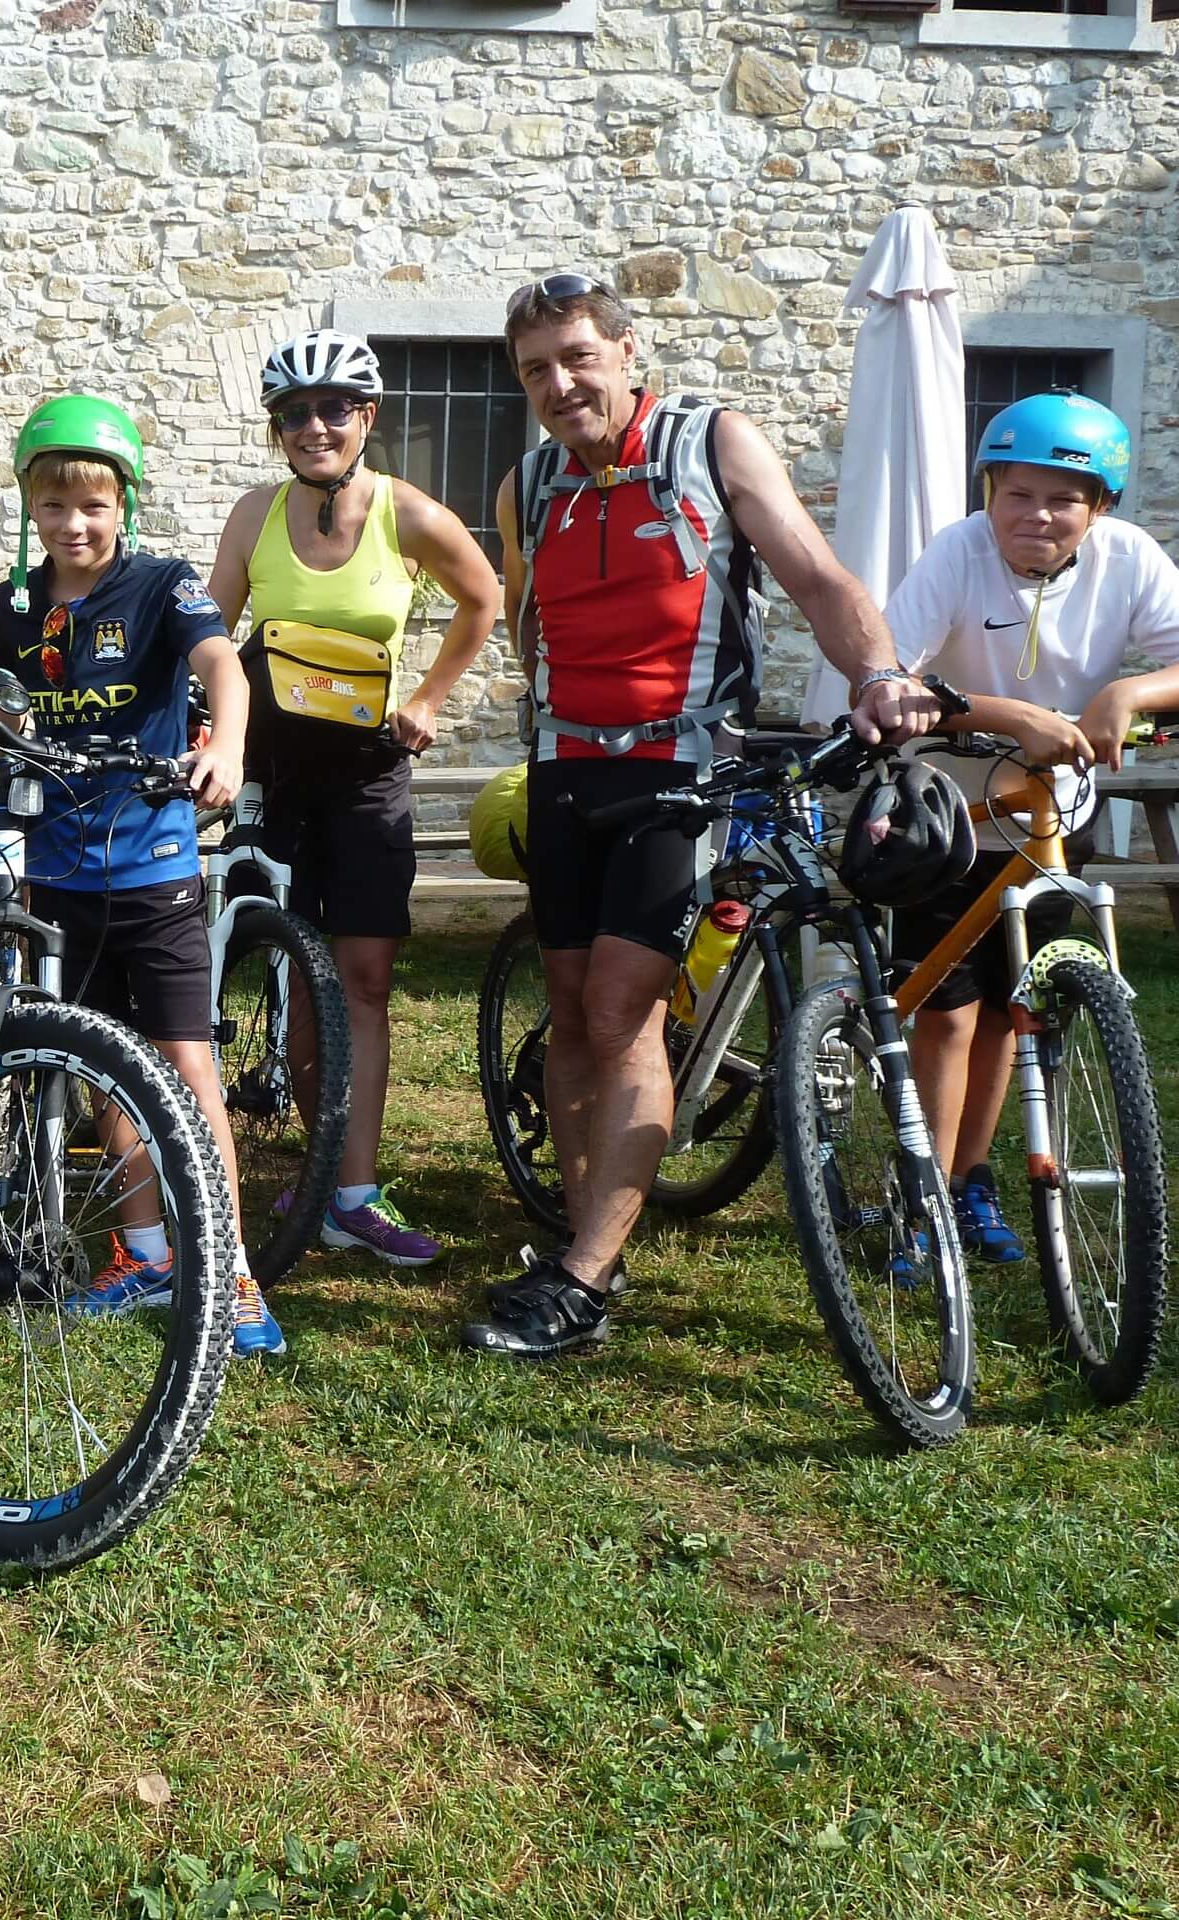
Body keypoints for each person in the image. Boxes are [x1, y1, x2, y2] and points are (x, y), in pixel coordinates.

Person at [464, 270, 947, 1360]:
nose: (559, 384)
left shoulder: (711, 442)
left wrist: (875, 672)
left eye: (577, 357)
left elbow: (817, 578)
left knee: (621, 1012)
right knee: (571, 1003)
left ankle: (582, 1276)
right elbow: (530, 623)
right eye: (535, 370)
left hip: (682, 767)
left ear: (627, 352)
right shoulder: (529, 481)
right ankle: (593, 1240)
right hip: (563, 769)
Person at [0, 394, 285, 1358]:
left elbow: (224, 667)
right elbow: (3, 714)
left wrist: (229, 750)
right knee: (99, 1069)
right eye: (55, 507)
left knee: (188, 1070)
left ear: (124, 502)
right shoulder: (15, 606)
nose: (74, 525)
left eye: (92, 505)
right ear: (29, 511)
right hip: (55, 874)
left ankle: (233, 1270)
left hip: (155, 868)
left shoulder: (165, 588)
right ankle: (140, 1255)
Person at [883, 392, 1179, 1262]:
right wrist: (1013, 717)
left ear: (1100, 509)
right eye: (1018, 493)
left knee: (1013, 1013)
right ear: (990, 491)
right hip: (950, 812)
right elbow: (889, 679)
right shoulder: (957, 554)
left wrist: (1127, 692)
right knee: (947, 1013)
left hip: (1053, 816)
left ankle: (970, 1180)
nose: (1036, 515)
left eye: (1063, 499)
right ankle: (919, 1195)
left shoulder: (1129, 559)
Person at [206, 328, 503, 1268]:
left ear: (366, 418)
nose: (315, 426)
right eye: (295, 412)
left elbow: (484, 598)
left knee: (364, 981)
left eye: (335, 408)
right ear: (277, 428)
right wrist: (209, 734)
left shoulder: (405, 513)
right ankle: (322, 1165)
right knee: (300, 976)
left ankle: (354, 1195)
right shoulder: (256, 515)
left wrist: (428, 699)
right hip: (278, 773)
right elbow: (213, 633)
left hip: (371, 771)